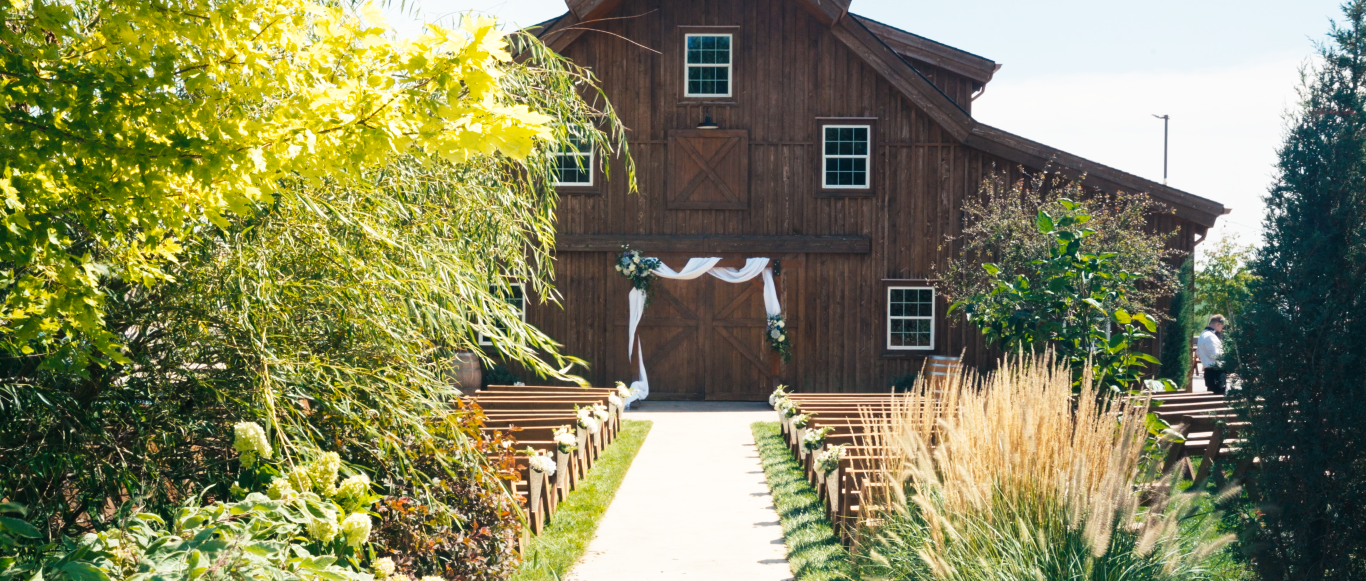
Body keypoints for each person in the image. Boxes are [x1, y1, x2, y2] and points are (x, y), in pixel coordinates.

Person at [1197, 314, 1228, 394]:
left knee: (1212, 396)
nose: (1222, 329)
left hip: (1209, 372)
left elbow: (1198, 354)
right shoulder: (1211, 336)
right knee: (1219, 398)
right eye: (1222, 326)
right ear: (1218, 324)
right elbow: (1216, 355)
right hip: (1216, 373)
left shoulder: (1202, 334)